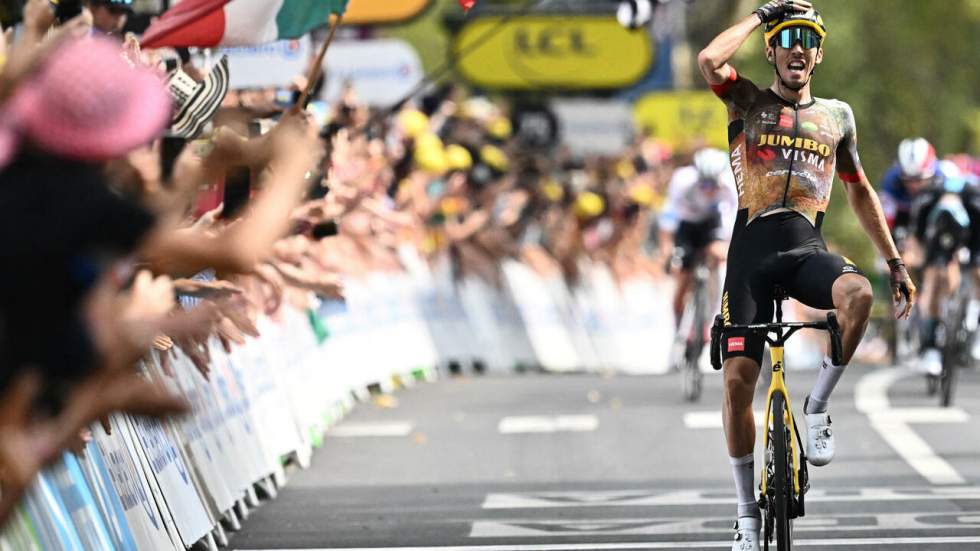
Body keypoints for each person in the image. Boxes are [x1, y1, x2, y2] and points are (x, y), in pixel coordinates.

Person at [696, 1, 916, 548]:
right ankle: (747, 514)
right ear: (772, 49)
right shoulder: (748, 102)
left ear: (818, 54)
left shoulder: (836, 117)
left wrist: (893, 261)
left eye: (807, 40)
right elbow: (708, 60)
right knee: (737, 383)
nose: (797, 47)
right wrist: (761, 15)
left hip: (804, 249)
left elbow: (859, 191)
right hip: (750, 253)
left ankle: (817, 407)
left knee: (858, 295)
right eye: (787, 38)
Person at [659, 147, 738, 329]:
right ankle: (677, 324)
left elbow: (733, 219)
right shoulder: (682, 180)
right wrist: (666, 247)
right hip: (687, 225)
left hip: (712, 223)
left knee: (721, 255)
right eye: (704, 185)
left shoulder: (729, 184)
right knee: (681, 270)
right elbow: (669, 217)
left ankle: (712, 312)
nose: (709, 191)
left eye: (714, 186)